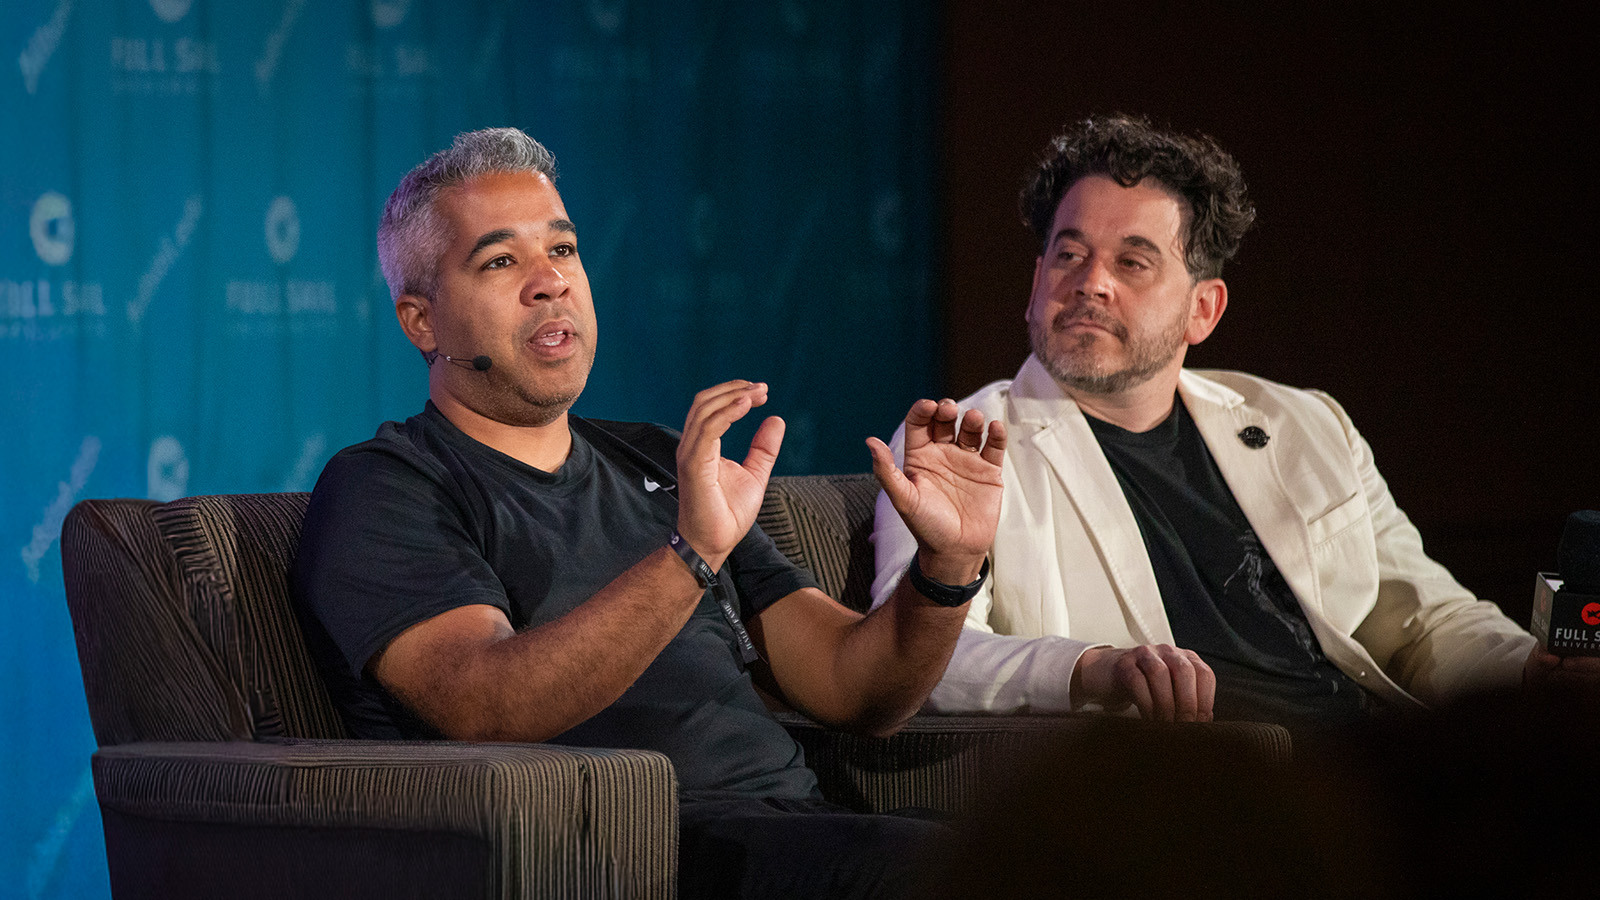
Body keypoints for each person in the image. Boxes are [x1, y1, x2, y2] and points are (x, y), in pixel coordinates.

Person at [291, 127, 1007, 899]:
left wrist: (949, 566)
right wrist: (690, 556)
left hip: (796, 826)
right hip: (642, 853)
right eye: (500, 261)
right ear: (421, 322)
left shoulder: (657, 459)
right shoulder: (387, 487)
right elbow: (485, 703)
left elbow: (857, 691)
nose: (549, 282)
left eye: (562, 251)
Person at [871, 113, 1597, 735]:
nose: (1090, 281)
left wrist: (1529, 672)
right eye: (1069, 254)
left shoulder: (1306, 423)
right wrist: (1092, 670)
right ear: (1035, 286)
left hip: (1375, 761)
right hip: (1211, 790)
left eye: (1133, 261)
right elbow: (919, 654)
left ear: (1204, 310)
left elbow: (1421, 619)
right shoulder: (960, 444)